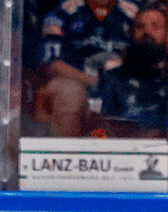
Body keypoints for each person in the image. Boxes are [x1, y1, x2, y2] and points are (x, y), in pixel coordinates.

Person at [36, 0, 139, 136]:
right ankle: (65, 154)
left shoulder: (135, 12)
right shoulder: (62, 12)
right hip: (76, 84)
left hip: (122, 87)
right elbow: (52, 64)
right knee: (68, 92)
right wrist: (93, 81)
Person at [89, 3, 168, 137]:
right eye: (140, 27)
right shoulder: (112, 78)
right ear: (131, 34)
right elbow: (97, 125)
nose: (147, 32)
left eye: (155, 26)